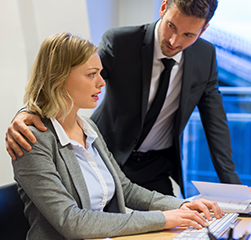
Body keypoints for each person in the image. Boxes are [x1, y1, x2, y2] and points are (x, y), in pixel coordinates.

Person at [6, 0, 241, 197]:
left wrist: (235, 193)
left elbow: (215, 122)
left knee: (175, 225)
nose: (174, 41)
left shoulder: (205, 55)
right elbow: (74, 79)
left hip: (157, 167)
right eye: (171, 26)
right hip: (106, 158)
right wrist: (28, 111)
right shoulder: (121, 42)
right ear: (163, 7)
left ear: (204, 29)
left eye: (189, 34)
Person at [11, 32, 224, 239]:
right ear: (59, 77)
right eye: (91, 74)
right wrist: (163, 218)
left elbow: (125, 189)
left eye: (100, 73)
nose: (102, 83)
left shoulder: (89, 127)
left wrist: (180, 205)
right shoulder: (33, 140)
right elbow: (71, 221)